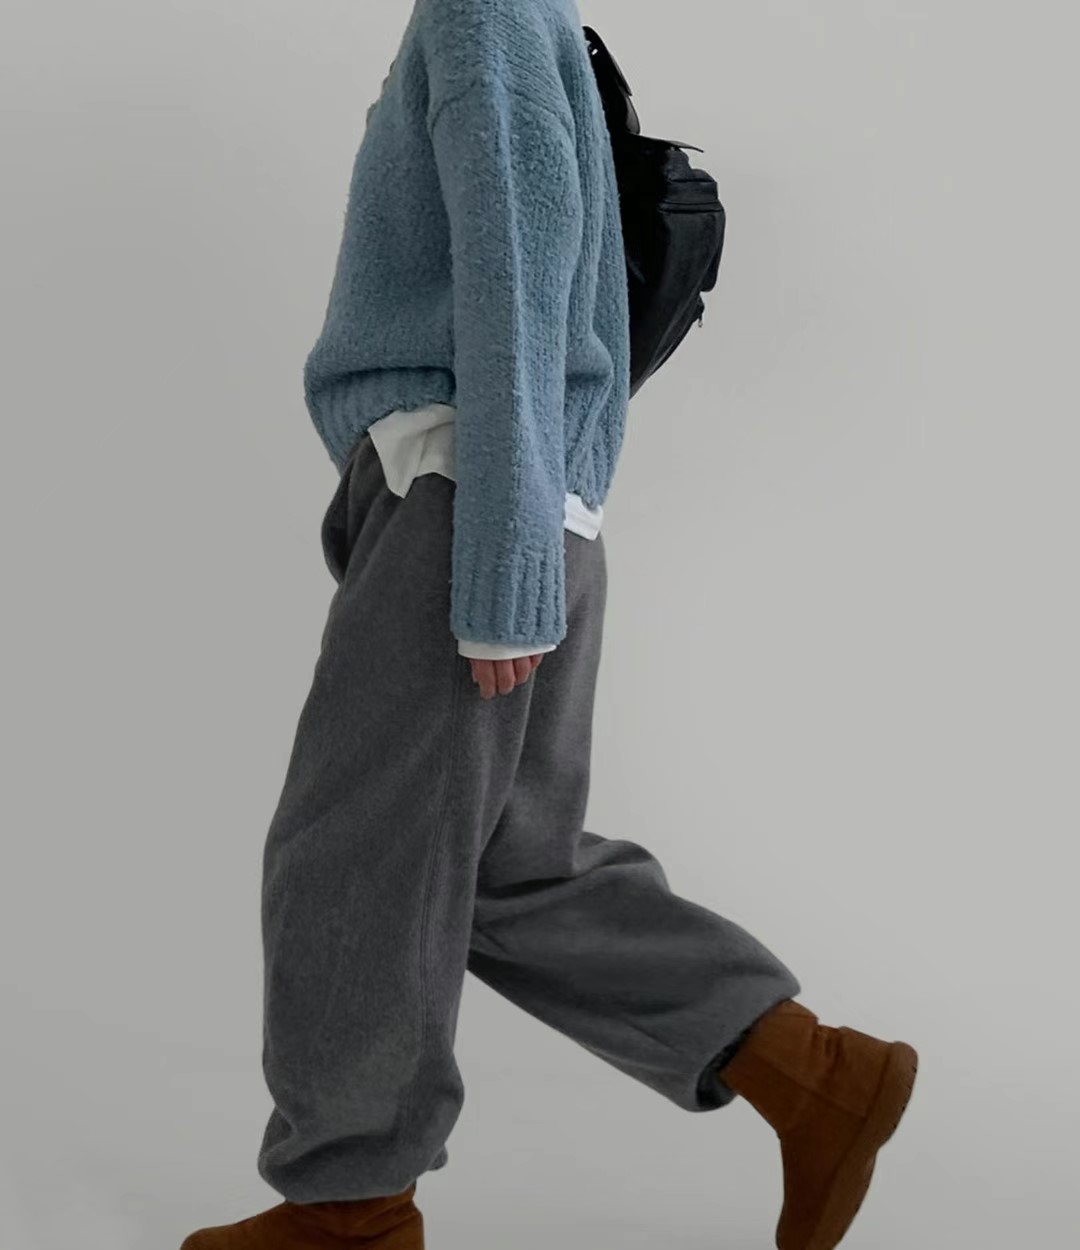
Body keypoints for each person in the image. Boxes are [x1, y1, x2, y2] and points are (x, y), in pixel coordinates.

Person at [179, 2, 917, 1248]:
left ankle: (349, 1211)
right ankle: (813, 1072)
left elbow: (517, 275)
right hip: (510, 499)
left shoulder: (482, 12)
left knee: (352, 862)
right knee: (510, 870)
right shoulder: (528, 17)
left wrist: (502, 567)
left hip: (469, 505)